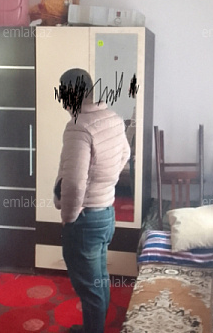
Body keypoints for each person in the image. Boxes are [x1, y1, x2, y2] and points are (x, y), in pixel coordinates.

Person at [53, 69, 130, 333]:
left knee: (90, 289)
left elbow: (74, 184)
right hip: (106, 214)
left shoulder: (79, 127)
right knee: (99, 281)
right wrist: (105, 184)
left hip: (84, 220)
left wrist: (68, 218)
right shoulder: (113, 118)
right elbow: (125, 154)